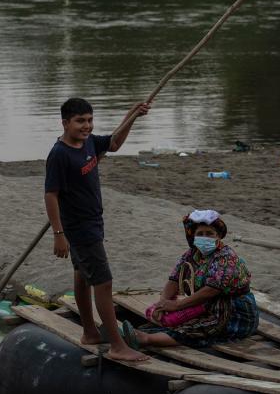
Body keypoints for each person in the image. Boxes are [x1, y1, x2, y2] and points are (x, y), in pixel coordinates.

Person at [44, 97, 150, 362]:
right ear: (65, 123)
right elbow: (51, 195)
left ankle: (91, 332)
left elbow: (113, 143)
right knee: (103, 282)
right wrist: (58, 234)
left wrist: (132, 115)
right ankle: (117, 345)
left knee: (82, 275)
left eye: (90, 120)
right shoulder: (59, 154)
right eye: (80, 121)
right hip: (79, 228)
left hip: (93, 221)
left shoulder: (89, 142)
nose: (87, 126)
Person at [124, 210, 259, 349]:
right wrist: (162, 303)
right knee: (175, 321)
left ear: (218, 236)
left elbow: (211, 290)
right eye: (200, 234)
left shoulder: (226, 257)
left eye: (209, 233)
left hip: (233, 313)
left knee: (196, 330)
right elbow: (174, 280)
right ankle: (136, 335)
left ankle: (146, 339)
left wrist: (175, 305)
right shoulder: (191, 254)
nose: (205, 237)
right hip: (205, 306)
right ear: (193, 236)